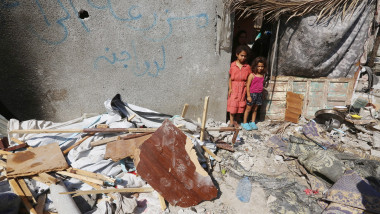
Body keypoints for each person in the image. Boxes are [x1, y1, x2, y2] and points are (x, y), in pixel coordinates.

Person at [227, 45, 251, 127]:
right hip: (234, 86)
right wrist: (230, 88)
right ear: (237, 55)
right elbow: (230, 78)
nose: (243, 58)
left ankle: (237, 121)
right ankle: (231, 122)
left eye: (245, 56)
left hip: (243, 88)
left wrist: (247, 83)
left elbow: (249, 77)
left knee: (240, 104)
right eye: (241, 55)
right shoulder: (232, 65)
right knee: (233, 104)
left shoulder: (247, 67)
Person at [241, 57, 267, 131]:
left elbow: (262, 85)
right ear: (255, 66)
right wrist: (248, 96)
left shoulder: (263, 75)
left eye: (262, 66)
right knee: (248, 109)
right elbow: (248, 86)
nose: (260, 68)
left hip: (259, 94)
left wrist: (263, 94)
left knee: (255, 109)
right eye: (259, 66)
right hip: (252, 94)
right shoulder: (252, 75)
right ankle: (245, 122)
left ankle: (252, 122)